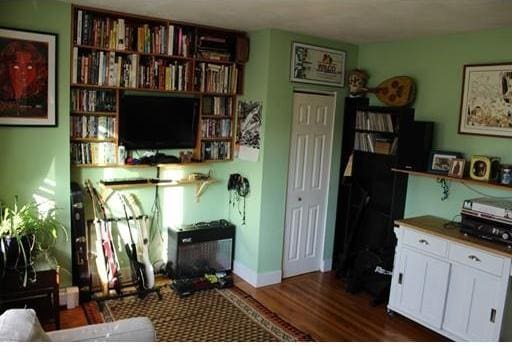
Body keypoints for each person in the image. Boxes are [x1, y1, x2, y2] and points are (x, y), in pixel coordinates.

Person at [0, 39, 47, 117]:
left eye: (29, 67)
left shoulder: (42, 101)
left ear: (38, 70)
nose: (23, 72)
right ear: (6, 69)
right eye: (16, 66)